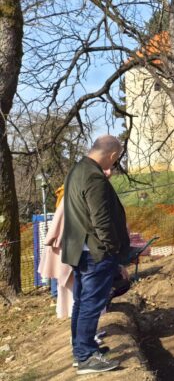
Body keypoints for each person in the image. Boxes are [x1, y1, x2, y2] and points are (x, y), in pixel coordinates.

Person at [63, 135, 130, 374]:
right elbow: (101, 221)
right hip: (95, 252)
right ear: (112, 155)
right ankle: (85, 357)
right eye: (116, 159)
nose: (115, 163)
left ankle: (82, 348)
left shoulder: (78, 170)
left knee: (82, 303)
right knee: (91, 305)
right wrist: (114, 254)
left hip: (78, 248)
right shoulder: (94, 178)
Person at [37, 186, 74, 319]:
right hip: (64, 243)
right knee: (65, 278)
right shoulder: (70, 197)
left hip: (62, 243)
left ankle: (65, 306)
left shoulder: (65, 195)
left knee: (62, 278)